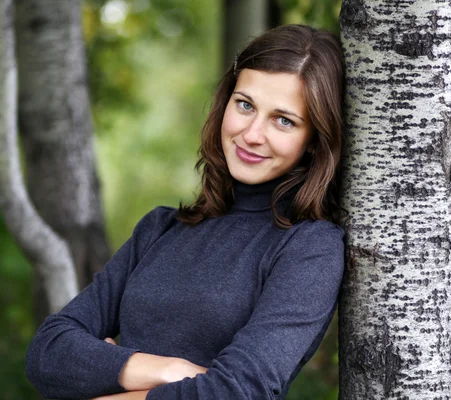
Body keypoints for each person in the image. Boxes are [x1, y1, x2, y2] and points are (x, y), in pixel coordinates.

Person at [25, 24, 345, 400]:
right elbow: (48, 353)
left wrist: (105, 373)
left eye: (283, 120)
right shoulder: (161, 228)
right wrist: (166, 370)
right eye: (245, 105)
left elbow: (238, 390)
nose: (253, 134)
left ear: (313, 141)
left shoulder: (310, 248)